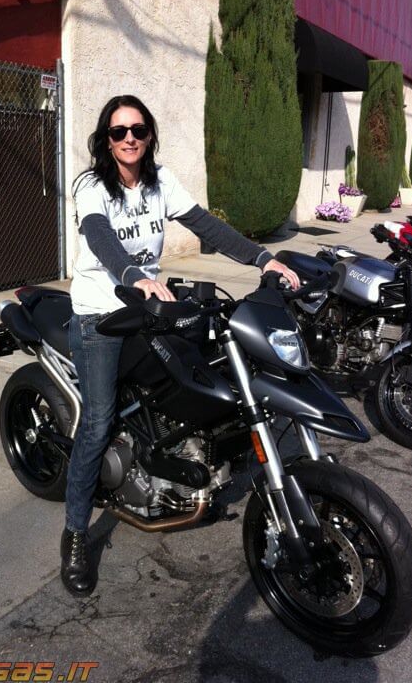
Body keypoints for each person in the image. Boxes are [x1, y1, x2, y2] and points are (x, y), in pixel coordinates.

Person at [61, 94, 300, 596]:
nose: (129, 139)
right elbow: (100, 236)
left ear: (149, 135)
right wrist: (134, 275)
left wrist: (263, 259)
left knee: (194, 376)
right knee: (98, 421)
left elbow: (206, 225)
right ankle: (76, 532)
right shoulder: (91, 185)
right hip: (100, 315)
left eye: (138, 130)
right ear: (106, 139)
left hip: (148, 307)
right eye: (119, 131)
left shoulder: (160, 182)